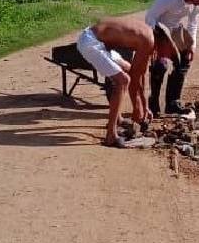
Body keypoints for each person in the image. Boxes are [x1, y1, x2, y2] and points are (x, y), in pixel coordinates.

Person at [76, 16, 178, 147]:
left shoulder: (148, 35)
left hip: (101, 44)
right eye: (169, 53)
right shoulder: (148, 40)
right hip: (91, 42)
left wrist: (145, 106)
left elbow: (140, 75)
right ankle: (111, 135)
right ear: (165, 42)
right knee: (123, 81)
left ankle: (117, 119)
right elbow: (135, 80)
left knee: (128, 69)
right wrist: (137, 110)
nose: (165, 57)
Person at [144, 0, 199, 116]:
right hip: (158, 29)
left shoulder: (197, 4)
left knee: (185, 60)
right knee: (160, 66)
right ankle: (153, 103)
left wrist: (191, 47)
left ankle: (173, 102)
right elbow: (150, 17)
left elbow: (193, 25)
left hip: (175, 30)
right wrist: (154, 44)